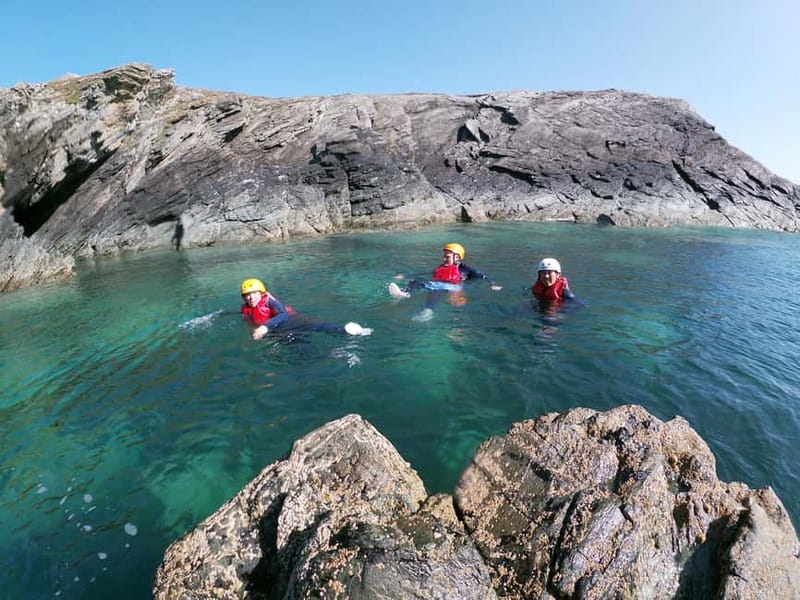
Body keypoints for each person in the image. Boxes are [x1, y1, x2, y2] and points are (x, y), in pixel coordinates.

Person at [388, 243, 501, 320]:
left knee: (437, 289)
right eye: (444, 256)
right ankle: (404, 294)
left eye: (447, 257)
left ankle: (428, 311)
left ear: (457, 258)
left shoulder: (464, 268)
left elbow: (483, 276)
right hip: (438, 284)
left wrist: (492, 284)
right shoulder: (442, 267)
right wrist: (405, 275)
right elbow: (428, 272)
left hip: (454, 287)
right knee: (416, 281)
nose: (444, 259)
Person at [240, 278, 372, 340]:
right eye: (247, 295)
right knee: (302, 350)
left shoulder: (269, 301)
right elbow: (250, 323)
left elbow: (283, 315)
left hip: (295, 321)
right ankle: (333, 356)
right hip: (282, 332)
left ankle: (346, 329)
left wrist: (265, 327)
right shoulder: (245, 310)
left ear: (262, 293)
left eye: (254, 293)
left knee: (318, 326)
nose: (251, 297)